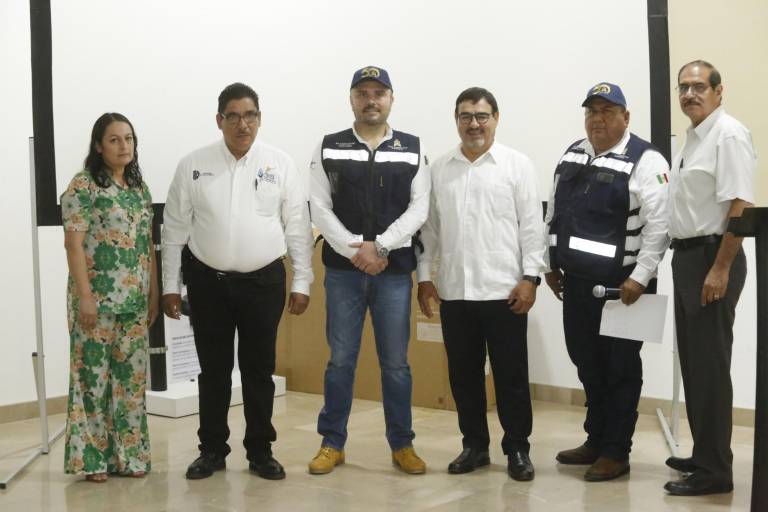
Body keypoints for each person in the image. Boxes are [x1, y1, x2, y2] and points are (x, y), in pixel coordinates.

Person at [162, 82, 314, 480]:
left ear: (259, 119)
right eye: (233, 116)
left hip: (263, 283)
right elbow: (174, 229)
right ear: (220, 120)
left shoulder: (279, 164)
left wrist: (303, 282)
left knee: (258, 370)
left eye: (250, 115)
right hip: (207, 283)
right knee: (213, 370)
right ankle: (211, 450)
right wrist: (169, 286)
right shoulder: (193, 163)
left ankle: (261, 451)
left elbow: (297, 226)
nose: (242, 124)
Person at [417, 87, 546, 481]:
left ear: (496, 118)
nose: (474, 124)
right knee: (464, 376)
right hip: (456, 292)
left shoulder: (516, 165)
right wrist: (424, 279)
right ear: (456, 120)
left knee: (511, 378)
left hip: (505, 292)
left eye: (482, 116)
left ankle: (518, 450)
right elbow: (430, 231)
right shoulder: (439, 169)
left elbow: (532, 227)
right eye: (466, 116)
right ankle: (474, 446)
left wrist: (531, 278)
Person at [307, 66, 429, 475]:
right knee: (340, 360)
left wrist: (382, 246)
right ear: (351, 99)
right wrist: (355, 250)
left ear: (391, 99)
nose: (371, 99)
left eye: (379, 92)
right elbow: (319, 208)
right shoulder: (328, 146)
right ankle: (332, 443)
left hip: (393, 273)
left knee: (396, 364)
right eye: (363, 93)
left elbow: (419, 208)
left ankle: (402, 445)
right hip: (344, 273)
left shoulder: (412, 147)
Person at [544, 83, 669, 481]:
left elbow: (659, 227)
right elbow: (554, 212)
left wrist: (640, 277)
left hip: (625, 289)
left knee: (621, 370)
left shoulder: (647, 160)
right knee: (587, 363)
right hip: (577, 283)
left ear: (626, 117)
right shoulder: (573, 152)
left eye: (607, 111)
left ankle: (617, 452)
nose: (597, 118)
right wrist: (549, 263)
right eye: (592, 111)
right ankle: (595, 440)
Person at [664, 61, 756, 496]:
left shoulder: (729, 135)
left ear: (719, 91)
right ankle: (704, 456)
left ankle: (716, 471)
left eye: (699, 86)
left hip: (711, 258)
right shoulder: (692, 140)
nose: (690, 94)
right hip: (687, 259)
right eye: (683, 87)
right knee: (696, 366)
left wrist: (719, 268)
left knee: (711, 369)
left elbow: (739, 205)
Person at [61, 113, 159, 482]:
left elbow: (146, 245)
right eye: (115, 140)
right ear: (99, 145)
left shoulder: (139, 188)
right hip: (95, 304)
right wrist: (85, 296)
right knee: (93, 381)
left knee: (130, 382)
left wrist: (152, 293)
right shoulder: (83, 187)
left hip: (133, 304)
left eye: (129, 139)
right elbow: (73, 245)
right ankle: (93, 460)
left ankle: (130, 456)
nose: (124, 146)